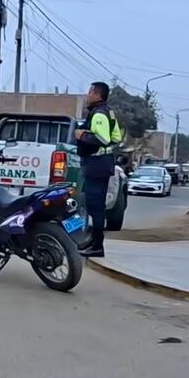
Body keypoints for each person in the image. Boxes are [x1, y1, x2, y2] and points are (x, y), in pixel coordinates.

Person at [75, 81, 124, 258]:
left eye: (90, 92)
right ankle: (93, 242)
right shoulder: (107, 111)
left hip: (97, 165)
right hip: (101, 164)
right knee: (94, 206)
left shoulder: (99, 114)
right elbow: (116, 137)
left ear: (97, 94)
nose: (88, 95)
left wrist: (82, 135)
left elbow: (102, 138)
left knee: (96, 207)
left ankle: (97, 246)